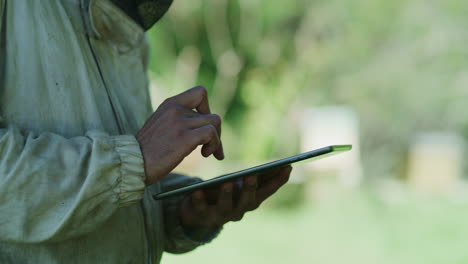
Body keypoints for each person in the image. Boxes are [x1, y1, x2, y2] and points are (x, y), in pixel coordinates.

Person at [0, 1, 292, 263]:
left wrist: (183, 211)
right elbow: (132, 160)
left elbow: (127, 180)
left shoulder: (128, 25)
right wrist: (133, 160)